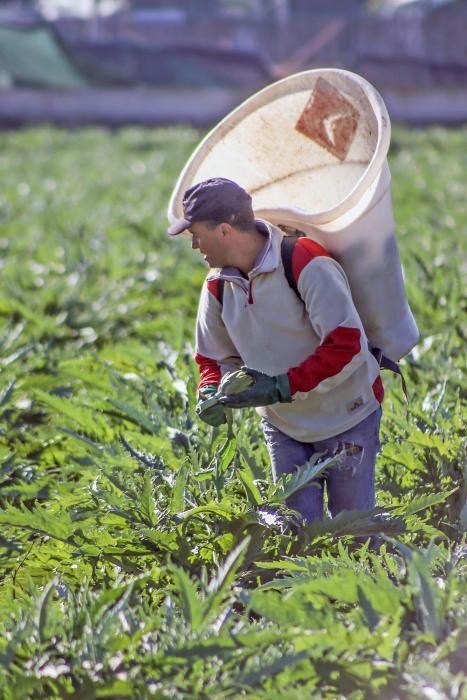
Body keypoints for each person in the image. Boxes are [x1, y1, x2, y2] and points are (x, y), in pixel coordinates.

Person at [168, 177, 383, 524]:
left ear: (224, 230)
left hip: (347, 416)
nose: (193, 244)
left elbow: (345, 345)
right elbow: (211, 356)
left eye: (196, 234)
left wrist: (284, 385)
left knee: (353, 530)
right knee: (295, 529)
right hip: (284, 424)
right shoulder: (217, 286)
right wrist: (208, 388)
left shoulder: (304, 262)